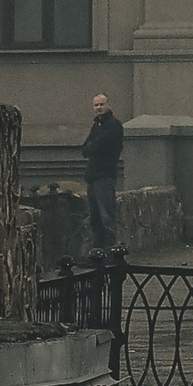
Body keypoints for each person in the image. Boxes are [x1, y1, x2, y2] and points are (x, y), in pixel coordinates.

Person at [82, 93, 124, 262]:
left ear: (108, 104)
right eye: (96, 105)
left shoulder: (113, 125)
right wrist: (92, 147)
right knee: (95, 218)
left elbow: (99, 146)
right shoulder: (97, 125)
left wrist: (92, 147)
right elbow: (85, 148)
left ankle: (110, 252)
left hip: (104, 175)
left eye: (101, 104)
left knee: (106, 216)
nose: (99, 107)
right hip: (93, 176)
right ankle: (98, 252)